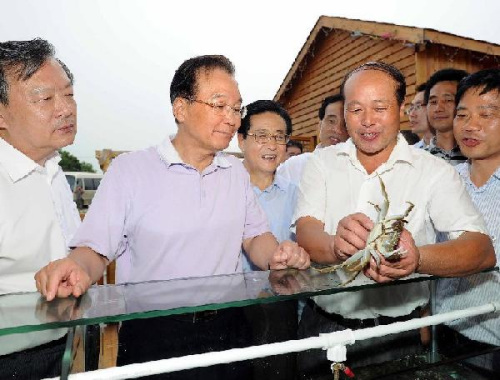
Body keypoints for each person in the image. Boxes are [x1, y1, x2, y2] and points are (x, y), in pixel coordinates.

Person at [36, 55, 309, 379]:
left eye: (236, 109)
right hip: (154, 334)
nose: (232, 119)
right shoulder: (131, 170)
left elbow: (254, 237)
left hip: (230, 328)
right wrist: (76, 268)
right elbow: (95, 248)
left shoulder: (235, 173)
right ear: (181, 108)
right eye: (219, 106)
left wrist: (277, 254)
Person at [293, 62, 495, 376]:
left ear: (401, 108)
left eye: (380, 107)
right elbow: (306, 229)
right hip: (323, 326)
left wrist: (417, 259)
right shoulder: (323, 161)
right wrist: (334, 244)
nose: (367, 121)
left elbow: (480, 249)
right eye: (356, 109)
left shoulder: (434, 171)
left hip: (398, 334)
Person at [0, 38, 81, 379]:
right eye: (45, 98)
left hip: (60, 348)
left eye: (69, 94)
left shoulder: (52, 170)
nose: (65, 108)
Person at [436, 68, 500, 377]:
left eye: (486, 114)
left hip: (492, 346)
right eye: (462, 115)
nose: (470, 126)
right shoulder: (444, 181)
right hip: (441, 334)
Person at [237, 99, 299, 378]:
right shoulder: (222, 191)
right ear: (241, 140)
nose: (271, 145)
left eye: (279, 137)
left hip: (280, 312)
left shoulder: (299, 195)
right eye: (260, 136)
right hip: (230, 309)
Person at [277, 94, 348, 184]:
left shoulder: (357, 172)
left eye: (345, 125)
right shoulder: (295, 167)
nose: (338, 130)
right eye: (331, 121)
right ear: (320, 125)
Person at [424, 68, 468, 165]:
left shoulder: (477, 157)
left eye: (448, 100)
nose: (438, 108)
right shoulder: (419, 159)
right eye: (433, 102)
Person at [406, 82, 433, 148]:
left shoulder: (460, 150)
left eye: (418, 106)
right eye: (411, 108)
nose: (412, 114)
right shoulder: (411, 153)